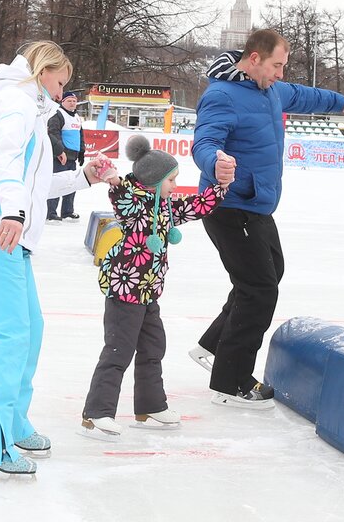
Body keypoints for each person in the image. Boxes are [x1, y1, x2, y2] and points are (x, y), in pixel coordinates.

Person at [0, 41, 111, 476]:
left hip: (9, 233)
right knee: (9, 337)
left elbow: (33, 184)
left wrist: (82, 177)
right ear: (43, 71)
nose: (64, 91)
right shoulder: (16, 103)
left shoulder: (31, 108)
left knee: (30, 330)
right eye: (61, 81)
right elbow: (3, 163)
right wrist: (11, 211)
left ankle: (13, 420)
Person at [189, 29, 344, 410]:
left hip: (256, 205)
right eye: (276, 65)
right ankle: (230, 381)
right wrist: (214, 162)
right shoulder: (221, 95)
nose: (281, 73)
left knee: (269, 274)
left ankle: (213, 345)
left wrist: (339, 102)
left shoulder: (271, 90)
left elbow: (304, 94)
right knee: (259, 288)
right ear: (254, 59)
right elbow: (203, 141)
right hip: (229, 204)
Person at [80, 136, 232, 440]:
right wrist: (113, 179)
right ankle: (96, 414)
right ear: (154, 180)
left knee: (153, 348)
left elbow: (197, 206)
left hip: (149, 292)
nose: (176, 186)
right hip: (125, 292)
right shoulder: (133, 205)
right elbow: (122, 195)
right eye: (172, 180)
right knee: (118, 352)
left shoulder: (165, 206)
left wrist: (221, 187)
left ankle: (150, 406)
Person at [46, 91, 84, 222]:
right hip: (60, 156)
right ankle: (50, 212)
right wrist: (59, 151)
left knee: (71, 184)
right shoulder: (58, 114)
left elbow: (80, 135)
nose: (72, 103)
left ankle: (67, 212)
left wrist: (82, 152)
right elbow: (53, 133)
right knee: (57, 183)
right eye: (69, 101)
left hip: (72, 157)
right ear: (63, 102)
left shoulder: (77, 117)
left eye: (74, 101)